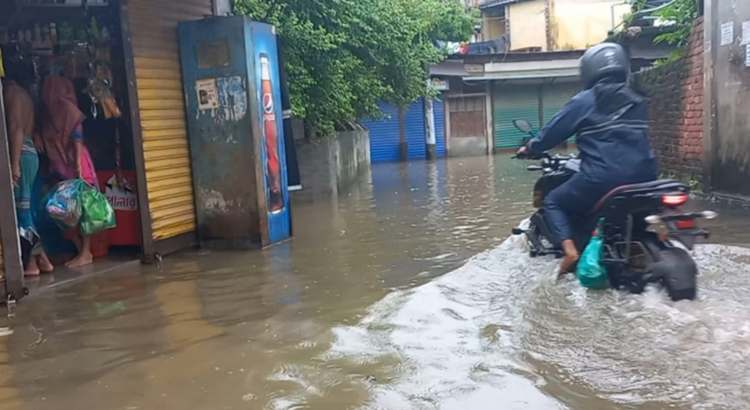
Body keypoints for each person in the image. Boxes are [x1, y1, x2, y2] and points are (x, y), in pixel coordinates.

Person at [516, 43, 658, 275]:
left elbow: (553, 131)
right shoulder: (638, 99)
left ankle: (571, 252)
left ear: (589, 71)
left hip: (603, 177)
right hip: (648, 176)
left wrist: (530, 147)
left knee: (553, 202)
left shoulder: (585, 100)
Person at [38, 75, 98, 268]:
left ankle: (85, 252)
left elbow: (77, 135)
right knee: (64, 210)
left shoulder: (68, 108)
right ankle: (81, 249)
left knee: (83, 207)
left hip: (76, 164)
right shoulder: (47, 115)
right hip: (62, 169)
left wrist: (79, 164)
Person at [2, 66, 54, 276]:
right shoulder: (24, 97)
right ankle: (40, 260)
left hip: (20, 153)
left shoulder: (11, 96)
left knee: (20, 212)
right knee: (21, 210)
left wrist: (13, 164)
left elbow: (16, 129)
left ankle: (35, 261)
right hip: (28, 152)